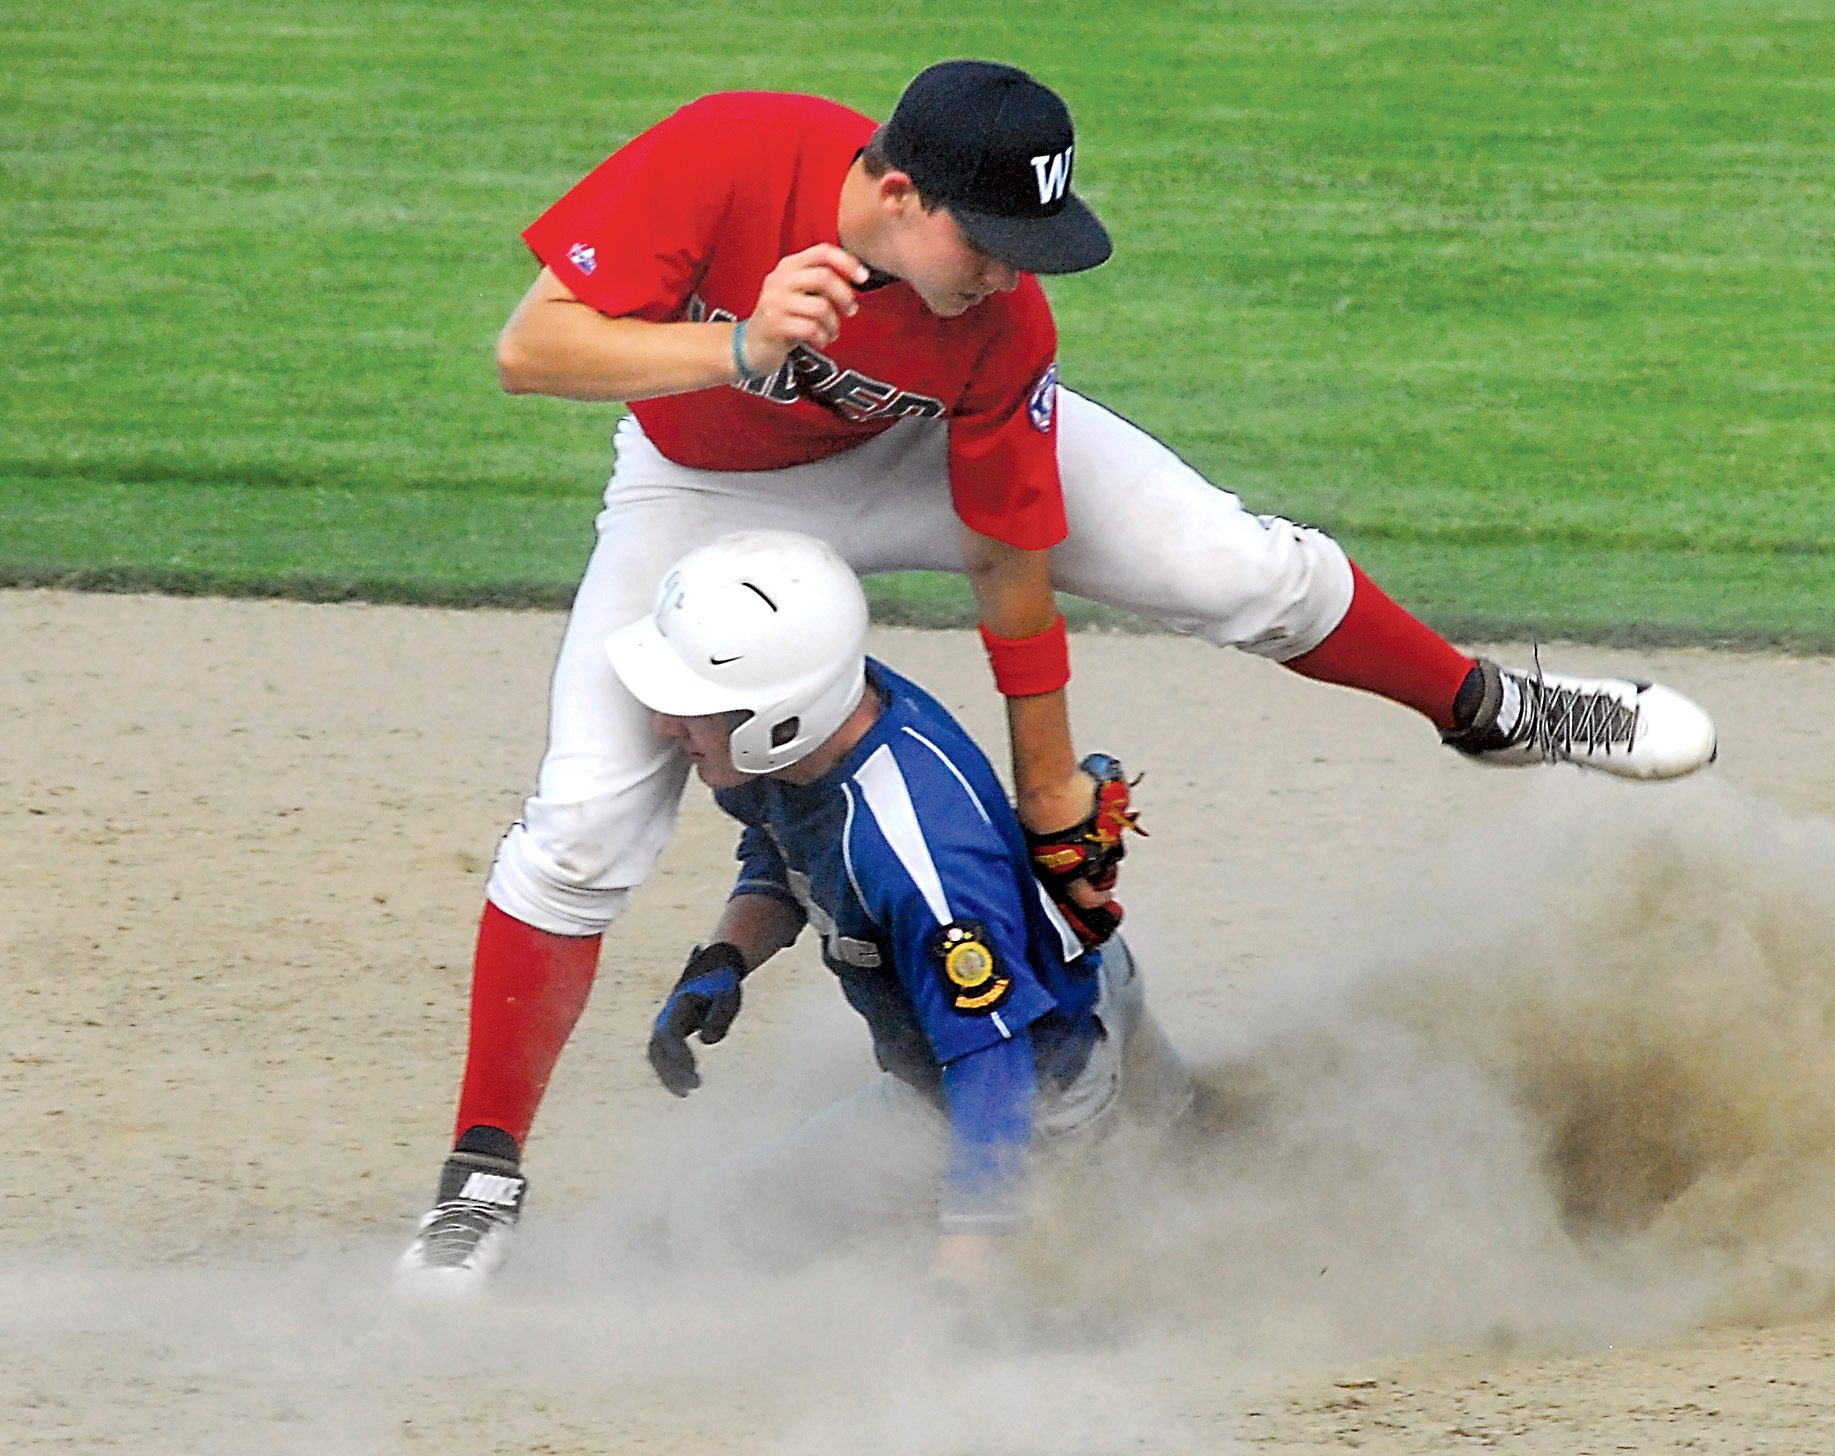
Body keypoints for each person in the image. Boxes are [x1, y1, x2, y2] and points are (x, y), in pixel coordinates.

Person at [396, 59, 1716, 1284]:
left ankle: (1488, 707)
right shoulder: (736, 150)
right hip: (707, 484)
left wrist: (1045, 794)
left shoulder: (995, 324)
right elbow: (533, 349)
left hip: (910, 464)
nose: (1004, 274)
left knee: (1242, 567)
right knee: (578, 830)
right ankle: (479, 1181)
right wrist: (734, 348)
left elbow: (1007, 557)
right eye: (985, 242)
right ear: (897, 193)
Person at [401, 532, 1194, 1291]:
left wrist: (966, 1277)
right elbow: (788, 845)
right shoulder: (805, 727)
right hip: (1084, 979)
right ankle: (1196, 1153)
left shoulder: (914, 856)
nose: (661, 728)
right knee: (1192, 1143)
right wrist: (725, 957)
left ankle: (1097, 1261)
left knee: (714, 1227)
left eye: (689, 707)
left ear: (778, 713)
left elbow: (992, 1070)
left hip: (1034, 1088)